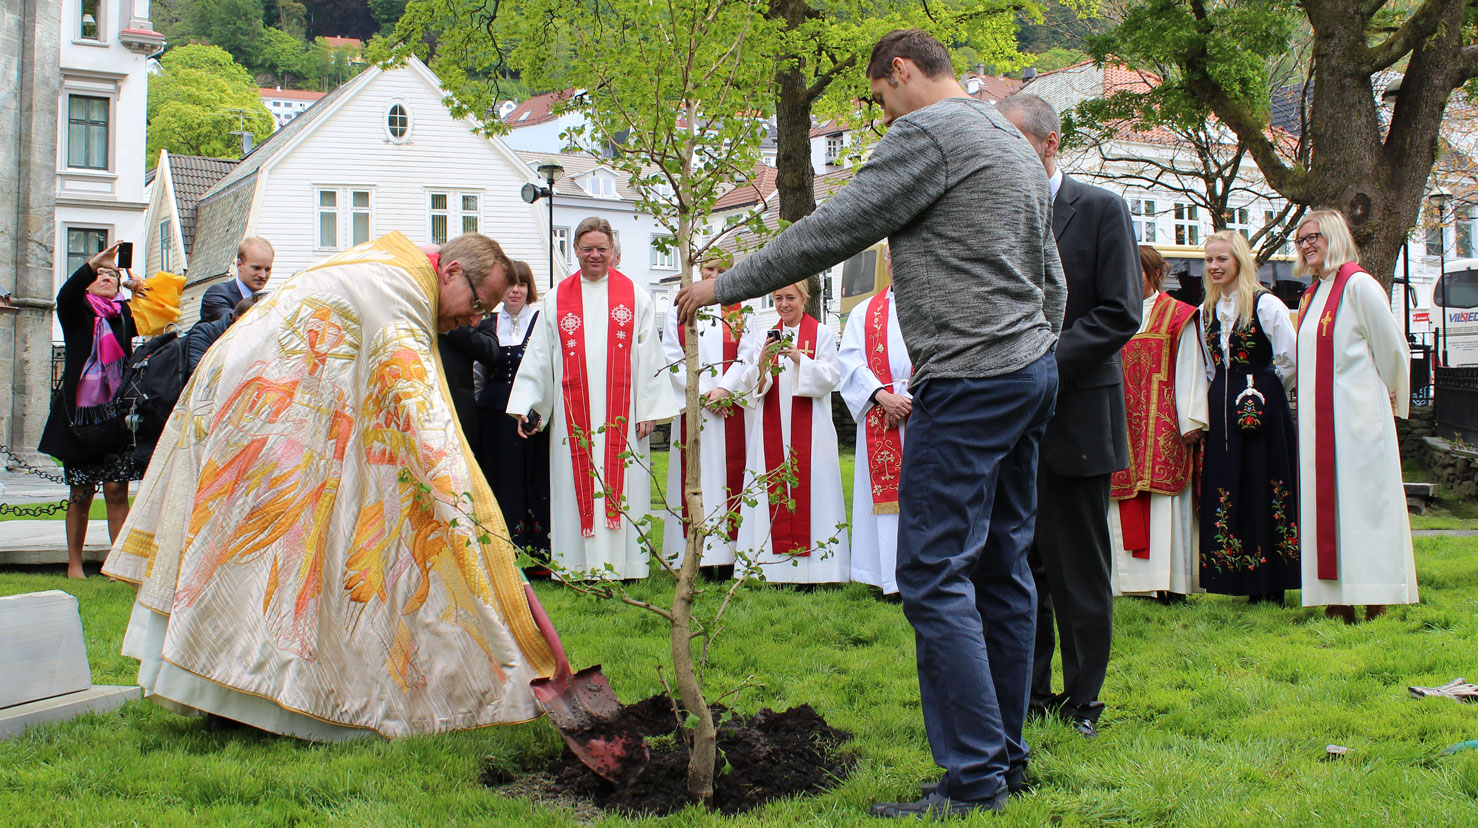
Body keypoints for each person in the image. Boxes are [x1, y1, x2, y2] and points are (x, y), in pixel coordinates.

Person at [676, 29, 1064, 818]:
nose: (882, 114)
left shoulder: (930, 134)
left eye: (881, 97)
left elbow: (832, 229)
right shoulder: (1009, 135)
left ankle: (974, 779)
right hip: (1028, 371)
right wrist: (1035, 349)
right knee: (1002, 567)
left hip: (970, 378)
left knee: (932, 574)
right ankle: (1006, 760)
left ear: (903, 71)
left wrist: (723, 286)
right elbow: (1048, 272)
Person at [100, 231, 559, 739]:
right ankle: (245, 692)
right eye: (477, 305)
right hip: (267, 412)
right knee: (261, 552)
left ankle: (231, 692)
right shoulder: (401, 291)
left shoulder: (391, 266)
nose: (475, 320)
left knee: (262, 555)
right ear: (450, 272)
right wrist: (475, 515)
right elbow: (425, 419)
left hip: (265, 400)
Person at [997, 93, 1142, 740]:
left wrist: (1040, 362)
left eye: (1015, 142)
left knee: (1079, 568)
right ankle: (1029, 691)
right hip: (1012, 419)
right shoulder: (1000, 211)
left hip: (1078, 413)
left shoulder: (1101, 209)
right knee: (1021, 565)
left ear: (1049, 142)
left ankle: (1084, 698)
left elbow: (1119, 311)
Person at [507, 217, 678, 580]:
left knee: (625, 482)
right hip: (573, 417)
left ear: (613, 249)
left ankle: (627, 565)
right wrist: (529, 404)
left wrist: (648, 409)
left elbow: (650, 356)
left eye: (602, 248)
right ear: (575, 250)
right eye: (587, 249)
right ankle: (576, 564)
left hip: (624, 413)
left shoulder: (635, 296)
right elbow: (539, 356)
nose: (595, 255)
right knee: (573, 484)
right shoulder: (556, 299)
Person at [1292, 210, 1416, 623]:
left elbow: (1391, 346)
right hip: (1319, 425)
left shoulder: (1359, 285)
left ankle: (1376, 595)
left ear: (1335, 236)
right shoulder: (1311, 295)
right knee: (1328, 508)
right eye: (1301, 240)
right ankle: (1336, 597)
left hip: (1357, 418)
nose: (1307, 245)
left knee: (1365, 506)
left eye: (1314, 237)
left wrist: (1391, 397)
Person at [1198, 230, 1300, 602]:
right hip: (1223, 405)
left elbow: (1290, 358)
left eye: (1221, 259)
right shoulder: (1206, 310)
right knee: (1229, 484)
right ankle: (1236, 576)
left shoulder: (1266, 304)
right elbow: (1209, 366)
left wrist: (1265, 391)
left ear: (1239, 260)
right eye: (1209, 260)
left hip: (1263, 407)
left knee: (1264, 483)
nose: (1214, 266)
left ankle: (1271, 583)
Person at [730, 280, 849, 584]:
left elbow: (832, 377)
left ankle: (819, 571)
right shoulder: (765, 336)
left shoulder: (821, 333)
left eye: (791, 298)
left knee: (814, 490)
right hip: (770, 428)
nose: (784, 304)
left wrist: (800, 360)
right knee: (771, 486)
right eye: (778, 298)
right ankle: (772, 568)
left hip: (812, 429)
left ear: (804, 299)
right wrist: (762, 363)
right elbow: (750, 384)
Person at [1108, 246, 1208, 600]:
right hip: (1120, 421)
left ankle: (1169, 581)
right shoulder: (1112, 317)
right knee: (1120, 498)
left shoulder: (1179, 315)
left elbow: (1191, 367)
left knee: (1164, 503)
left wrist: (1191, 418)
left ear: (1154, 273)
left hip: (1163, 423)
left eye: (1137, 270)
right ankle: (1126, 584)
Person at [38, 243, 141, 579]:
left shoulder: (124, 314)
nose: (107, 277)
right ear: (88, 283)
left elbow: (160, 316)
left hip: (115, 417)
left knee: (116, 490)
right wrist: (92, 264)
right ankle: (74, 564)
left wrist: (142, 289)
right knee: (80, 494)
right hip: (79, 419)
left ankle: (117, 565)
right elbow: (65, 294)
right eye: (100, 274)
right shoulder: (76, 312)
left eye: (112, 274)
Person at [661, 252, 753, 574]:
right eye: (710, 269)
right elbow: (672, 355)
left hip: (730, 408)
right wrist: (700, 392)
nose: (715, 275)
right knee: (695, 477)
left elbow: (748, 353)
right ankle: (693, 556)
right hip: (695, 408)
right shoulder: (682, 306)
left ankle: (728, 556)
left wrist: (726, 388)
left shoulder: (742, 308)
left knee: (730, 480)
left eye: (722, 270)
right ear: (700, 271)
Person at [837, 252, 912, 598]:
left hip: (924, 410)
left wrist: (910, 398)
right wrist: (883, 397)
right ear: (886, 263)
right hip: (881, 411)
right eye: (894, 257)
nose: (898, 263)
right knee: (886, 503)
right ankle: (887, 577)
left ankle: (927, 574)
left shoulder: (933, 303)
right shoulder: (865, 312)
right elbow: (850, 363)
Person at [470, 261, 551, 558]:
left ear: (529, 289)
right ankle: (503, 550)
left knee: (534, 476)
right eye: (510, 284)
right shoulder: (487, 324)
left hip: (531, 414)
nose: (515, 290)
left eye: (522, 284)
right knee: (500, 476)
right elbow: (478, 372)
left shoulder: (542, 322)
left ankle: (538, 550)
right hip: (494, 415)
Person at [200, 237, 274, 322]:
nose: (263, 275)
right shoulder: (216, 295)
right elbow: (233, 323)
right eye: (256, 268)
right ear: (239, 265)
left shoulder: (269, 301)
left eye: (267, 269)